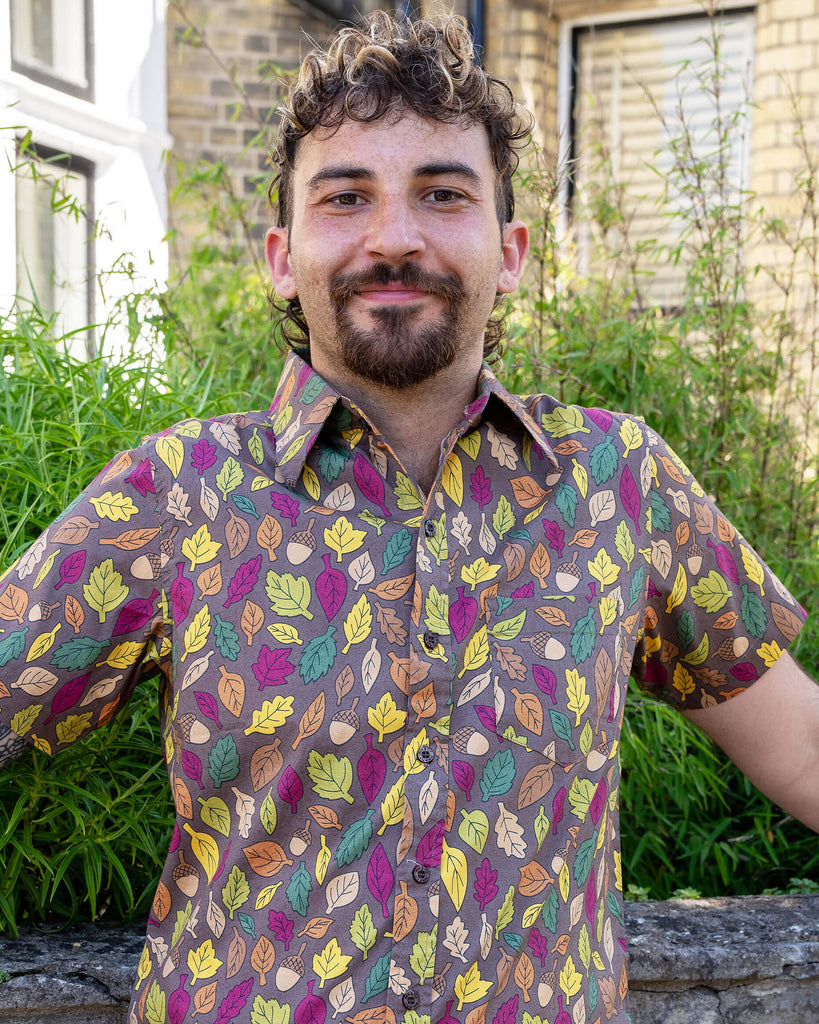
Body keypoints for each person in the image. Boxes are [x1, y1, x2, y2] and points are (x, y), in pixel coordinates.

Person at [0, 13, 817, 1024]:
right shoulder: (178, 494)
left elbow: (805, 748)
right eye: (346, 198)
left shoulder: (619, 483)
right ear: (279, 253)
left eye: (443, 193)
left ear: (510, 251)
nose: (395, 235)